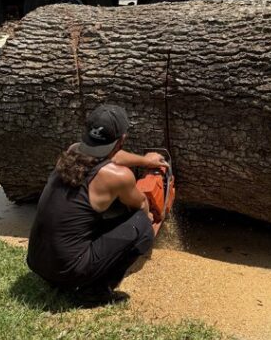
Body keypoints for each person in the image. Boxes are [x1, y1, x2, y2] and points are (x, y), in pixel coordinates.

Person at [26, 104, 167, 299]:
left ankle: (80, 272)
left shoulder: (73, 150)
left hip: (38, 263)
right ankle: (96, 290)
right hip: (68, 273)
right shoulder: (118, 176)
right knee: (141, 226)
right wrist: (149, 222)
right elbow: (142, 205)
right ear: (122, 140)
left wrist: (145, 161)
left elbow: (115, 157)